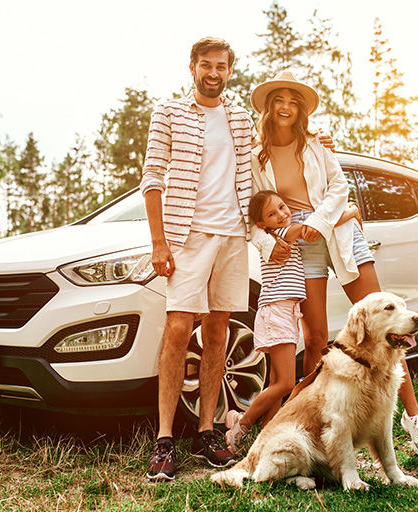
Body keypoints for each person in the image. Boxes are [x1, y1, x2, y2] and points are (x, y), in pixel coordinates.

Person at [247, 70, 418, 457]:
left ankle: (413, 417)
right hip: (300, 245)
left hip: (337, 232)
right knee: (316, 340)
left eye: (293, 102)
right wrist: (270, 243)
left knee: (388, 324)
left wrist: (319, 222)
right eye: (279, 100)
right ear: (268, 107)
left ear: (301, 110)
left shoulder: (318, 144)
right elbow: (249, 211)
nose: (285, 107)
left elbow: (338, 187)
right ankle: (316, 422)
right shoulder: (254, 156)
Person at [140, 37, 253, 481]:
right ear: (192, 67)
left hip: (233, 236)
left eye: (221, 66)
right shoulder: (167, 113)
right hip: (186, 236)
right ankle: (164, 439)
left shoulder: (241, 119)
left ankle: (206, 432)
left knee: (218, 331)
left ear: (229, 71)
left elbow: (267, 157)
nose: (213, 72)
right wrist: (159, 242)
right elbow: (152, 178)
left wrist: (320, 140)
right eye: (205, 65)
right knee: (178, 328)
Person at [224, 190, 362, 454]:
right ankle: (241, 424)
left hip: (284, 312)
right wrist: (351, 212)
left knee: (276, 383)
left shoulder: (280, 233)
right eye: (272, 214)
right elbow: (314, 228)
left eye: (283, 207)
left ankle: (264, 440)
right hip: (277, 312)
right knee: (285, 384)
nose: (281, 215)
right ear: (262, 225)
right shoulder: (282, 234)